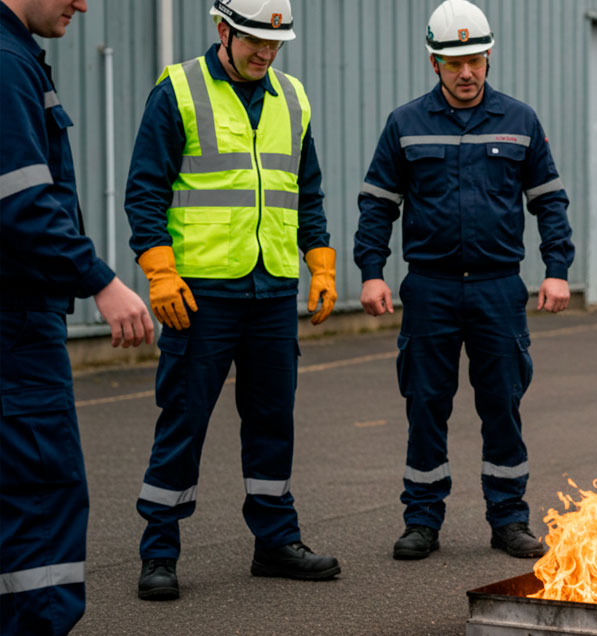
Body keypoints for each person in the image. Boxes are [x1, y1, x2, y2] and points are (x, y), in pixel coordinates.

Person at [124, 0, 339, 601]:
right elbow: (144, 190)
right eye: (253, 43)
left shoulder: (291, 97)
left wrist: (319, 264)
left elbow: (308, 190)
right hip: (200, 295)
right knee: (183, 422)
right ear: (223, 30)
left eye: (274, 45)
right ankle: (159, 551)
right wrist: (159, 272)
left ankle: (275, 542)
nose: (265, 54)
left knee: (273, 422)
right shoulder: (179, 89)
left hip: (272, 290)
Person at [355, 0, 573, 561]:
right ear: (434, 63)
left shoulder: (519, 120)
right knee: (425, 402)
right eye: (454, 63)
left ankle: (509, 520)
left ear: (489, 55)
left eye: (475, 59)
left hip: (499, 288)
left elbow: (549, 201)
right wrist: (372, 273)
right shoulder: (404, 124)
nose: (467, 72)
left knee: (502, 402)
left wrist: (557, 270)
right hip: (429, 288)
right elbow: (378, 204)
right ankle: (422, 520)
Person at [1, 0, 154, 631]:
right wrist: (101, 281)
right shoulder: (8, 63)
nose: (84, 3)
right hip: (15, 325)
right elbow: (23, 204)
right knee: (39, 498)